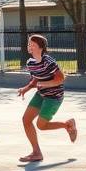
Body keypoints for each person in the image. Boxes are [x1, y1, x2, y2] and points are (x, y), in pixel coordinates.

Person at [18, 34, 77, 162]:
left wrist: (45, 84)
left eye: (32, 45)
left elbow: (61, 78)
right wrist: (26, 88)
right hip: (41, 94)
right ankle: (36, 153)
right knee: (26, 120)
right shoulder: (31, 63)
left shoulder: (48, 61)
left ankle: (67, 125)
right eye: (29, 44)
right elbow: (36, 78)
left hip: (54, 97)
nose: (30, 46)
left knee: (41, 125)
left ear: (41, 47)